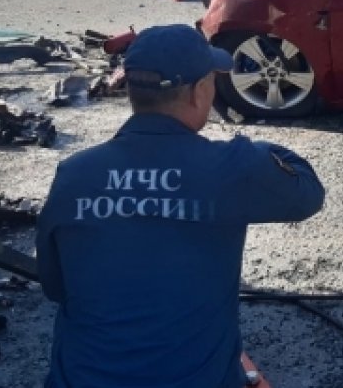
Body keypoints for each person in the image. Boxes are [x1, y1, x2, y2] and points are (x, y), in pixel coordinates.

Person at [36, 24, 325, 388]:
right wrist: (261, 150)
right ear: (198, 92)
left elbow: (55, 287)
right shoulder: (231, 166)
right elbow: (308, 193)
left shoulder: (74, 173)